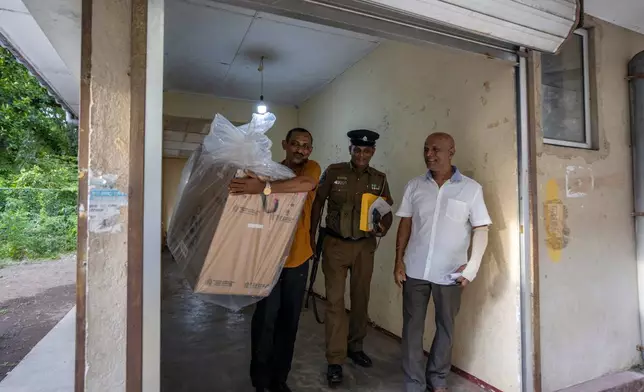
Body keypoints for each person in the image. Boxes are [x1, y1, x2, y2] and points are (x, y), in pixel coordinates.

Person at [393, 132, 491, 392]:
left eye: (436, 149)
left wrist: (472, 268)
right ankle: (414, 383)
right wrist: (398, 261)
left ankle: (437, 380)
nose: (429, 154)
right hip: (414, 269)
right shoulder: (415, 186)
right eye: (426, 149)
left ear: (451, 151)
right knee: (412, 330)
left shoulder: (471, 189)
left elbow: (481, 228)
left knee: (445, 328)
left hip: (450, 273)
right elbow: (405, 223)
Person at [229, 127, 321, 392]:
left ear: (310, 150)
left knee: (288, 323)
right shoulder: (270, 170)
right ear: (285, 144)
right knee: (265, 320)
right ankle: (259, 380)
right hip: (267, 258)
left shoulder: (311, 168)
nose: (300, 149)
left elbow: (306, 185)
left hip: (297, 257)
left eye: (305, 145)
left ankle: (279, 380)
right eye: (295, 144)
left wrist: (264, 187)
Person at [310, 129, 394, 386]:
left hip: (364, 247)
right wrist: (311, 238)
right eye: (357, 150)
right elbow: (317, 203)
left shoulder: (379, 179)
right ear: (350, 149)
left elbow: (386, 210)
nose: (361, 154)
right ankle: (335, 359)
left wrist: (384, 227)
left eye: (366, 151)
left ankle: (355, 347)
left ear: (373, 152)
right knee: (335, 302)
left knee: (360, 299)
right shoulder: (334, 172)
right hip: (335, 245)